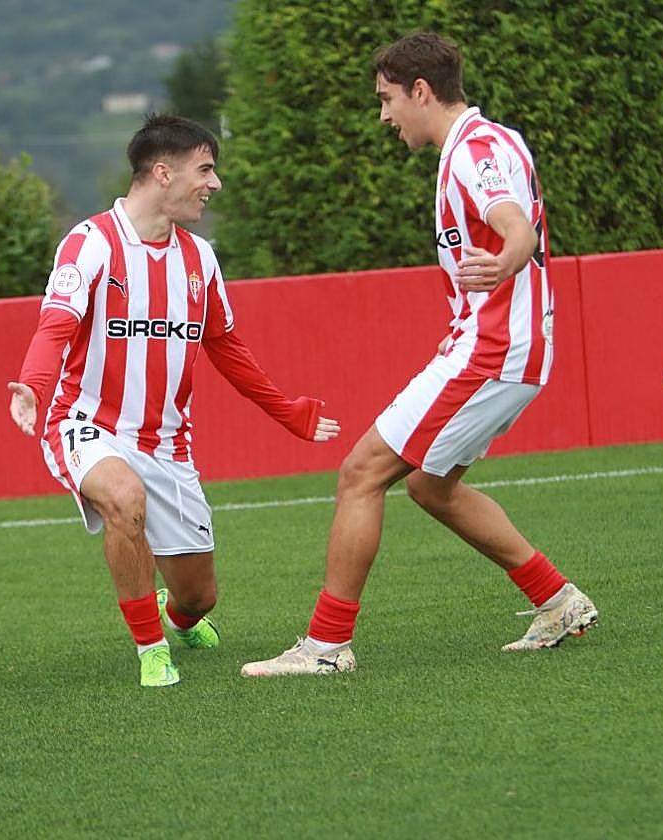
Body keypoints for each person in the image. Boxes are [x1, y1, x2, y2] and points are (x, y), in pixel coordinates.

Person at [241, 32, 597, 678]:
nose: (384, 115)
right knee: (431, 487)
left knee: (360, 472)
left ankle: (325, 648)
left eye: (387, 99)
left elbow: (513, 226)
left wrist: (502, 265)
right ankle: (556, 598)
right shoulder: (489, 141)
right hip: (499, 346)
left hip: (492, 352)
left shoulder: (473, 152)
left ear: (422, 91)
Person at [8, 114, 340, 688]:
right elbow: (55, 327)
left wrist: (289, 412)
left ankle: (177, 619)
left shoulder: (200, 260)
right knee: (123, 499)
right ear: (162, 173)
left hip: (167, 444)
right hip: (85, 424)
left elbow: (228, 350)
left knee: (199, 596)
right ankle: (150, 649)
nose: (214, 184)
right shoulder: (90, 244)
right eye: (205, 169)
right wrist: (34, 386)